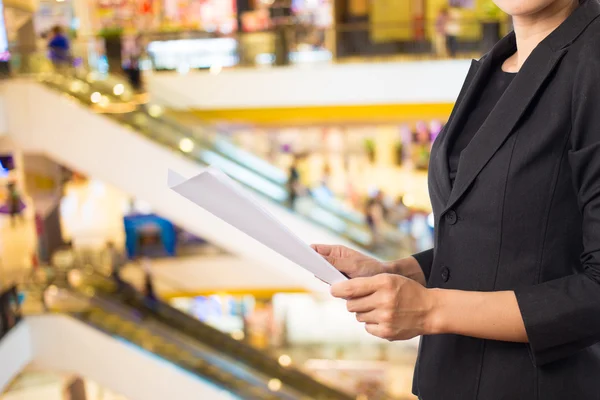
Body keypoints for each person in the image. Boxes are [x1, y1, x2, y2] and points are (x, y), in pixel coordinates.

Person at [312, 0, 600, 398]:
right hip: (452, 381)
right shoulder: (497, 63)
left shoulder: (593, 59)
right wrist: (401, 272)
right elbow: (516, 238)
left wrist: (431, 309)